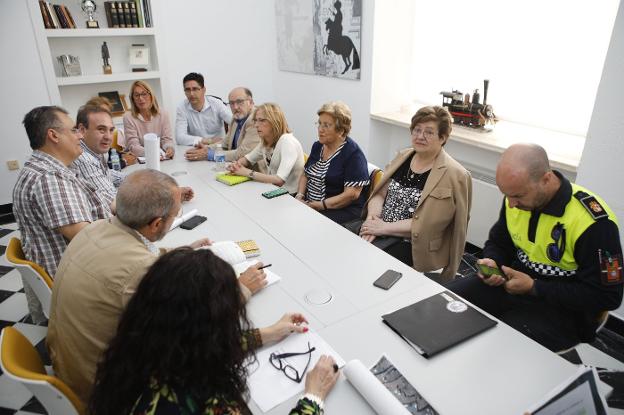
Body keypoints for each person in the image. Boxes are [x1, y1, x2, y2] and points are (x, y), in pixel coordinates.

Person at [47, 169, 268, 405]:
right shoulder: (141, 272)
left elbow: (137, 252)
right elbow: (195, 329)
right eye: (175, 214)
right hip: (105, 392)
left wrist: (182, 252)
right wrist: (241, 288)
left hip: (69, 366)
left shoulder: (95, 228)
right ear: (156, 224)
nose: (176, 217)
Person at [89, 248, 339, 415]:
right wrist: (313, 398)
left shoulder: (138, 346)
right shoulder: (207, 401)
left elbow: (192, 343)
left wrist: (268, 333)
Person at [448, 144, 623, 351]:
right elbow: (498, 242)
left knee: (495, 347)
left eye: (519, 196)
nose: (511, 203)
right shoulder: (515, 198)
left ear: (546, 179)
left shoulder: (595, 224)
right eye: (507, 194)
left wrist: (535, 287)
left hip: (564, 310)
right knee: (446, 302)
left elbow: (607, 296)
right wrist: (493, 261)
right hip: (513, 286)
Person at [13, 106, 112, 323]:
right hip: (80, 285)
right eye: (74, 130)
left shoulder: (47, 169)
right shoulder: (49, 179)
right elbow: (87, 239)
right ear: (54, 135)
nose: (80, 135)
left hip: (77, 271)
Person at [358, 106, 472, 281]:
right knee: (349, 253)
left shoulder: (456, 175)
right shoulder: (403, 156)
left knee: (371, 270)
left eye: (428, 132)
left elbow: (435, 224)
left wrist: (383, 227)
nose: (420, 136)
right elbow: (379, 194)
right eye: (417, 130)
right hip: (380, 228)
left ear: (442, 138)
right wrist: (372, 219)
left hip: (414, 243)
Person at [296, 101, 369, 224]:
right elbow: (305, 174)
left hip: (340, 211)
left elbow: (351, 195)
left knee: (306, 225)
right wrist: (299, 196)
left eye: (326, 125)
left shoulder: (353, 155)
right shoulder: (318, 146)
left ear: (341, 130)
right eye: (319, 124)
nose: (320, 129)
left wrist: (319, 206)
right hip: (311, 205)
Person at [228, 102, 304, 194]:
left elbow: (279, 180)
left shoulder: (287, 142)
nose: (256, 125)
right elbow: (248, 159)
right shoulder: (265, 141)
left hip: (291, 196)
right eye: (255, 120)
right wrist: (236, 165)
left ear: (274, 121)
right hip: (274, 191)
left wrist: (247, 172)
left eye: (261, 120)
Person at [184, 86, 264, 172]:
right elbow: (225, 143)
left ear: (251, 102)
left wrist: (208, 154)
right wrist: (207, 148)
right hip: (235, 167)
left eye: (239, 102)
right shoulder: (237, 117)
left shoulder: (256, 120)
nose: (235, 107)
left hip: (255, 172)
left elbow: (242, 153)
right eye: (232, 103)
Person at [72, 103, 123, 208]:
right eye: (101, 129)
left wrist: (140, 179)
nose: (108, 137)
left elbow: (108, 175)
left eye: (111, 130)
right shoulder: (84, 159)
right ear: (82, 130)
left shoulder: (94, 150)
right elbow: (115, 202)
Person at [175, 72, 232, 146]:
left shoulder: (216, 103)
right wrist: (208, 141)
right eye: (188, 90)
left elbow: (235, 122)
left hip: (217, 147)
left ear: (203, 90)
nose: (191, 94)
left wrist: (228, 139)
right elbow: (179, 138)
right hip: (195, 148)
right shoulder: (182, 107)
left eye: (195, 89)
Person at [123, 80, 175, 159]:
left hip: (162, 157)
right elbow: (133, 146)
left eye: (144, 94)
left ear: (151, 95)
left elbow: (167, 139)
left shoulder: (163, 114)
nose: (140, 98)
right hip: (140, 160)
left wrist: (169, 148)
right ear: (133, 99)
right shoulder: (128, 117)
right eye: (136, 95)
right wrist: (153, 153)